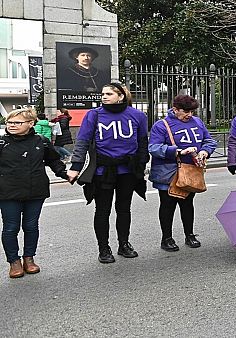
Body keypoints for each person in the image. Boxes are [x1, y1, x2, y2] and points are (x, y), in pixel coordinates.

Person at [67, 83, 149, 264]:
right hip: (103, 171)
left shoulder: (138, 116)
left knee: (124, 209)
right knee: (102, 211)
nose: (104, 96)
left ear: (120, 96)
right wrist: (75, 166)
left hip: (127, 170)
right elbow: (82, 141)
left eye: (109, 94)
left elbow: (143, 142)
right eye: (103, 94)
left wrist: (141, 164)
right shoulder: (94, 115)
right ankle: (103, 248)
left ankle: (124, 244)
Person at [0, 108, 67, 278]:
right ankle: (14, 262)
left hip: (35, 190)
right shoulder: (1, 142)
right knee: (10, 228)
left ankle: (29, 259)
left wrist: (67, 174)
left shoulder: (42, 141)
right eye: (9, 122)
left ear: (31, 124)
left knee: (31, 226)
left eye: (17, 122)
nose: (11, 125)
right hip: (8, 192)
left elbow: (53, 160)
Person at [148, 95, 217, 252]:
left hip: (190, 171)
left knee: (187, 204)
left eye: (192, 111)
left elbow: (209, 140)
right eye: (186, 111)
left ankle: (189, 235)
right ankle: (167, 238)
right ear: (175, 109)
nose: (189, 115)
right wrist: (178, 151)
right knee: (167, 205)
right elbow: (153, 148)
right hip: (167, 173)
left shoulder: (197, 122)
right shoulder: (161, 125)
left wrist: (204, 152)